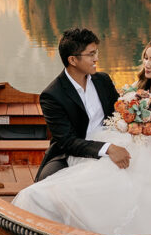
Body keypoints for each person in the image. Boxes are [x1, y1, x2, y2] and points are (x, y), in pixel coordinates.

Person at [14, 36, 151, 235]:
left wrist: (145, 124)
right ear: (73, 60)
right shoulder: (55, 95)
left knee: (125, 181)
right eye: (145, 58)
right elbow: (71, 139)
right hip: (85, 148)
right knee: (52, 189)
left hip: (150, 151)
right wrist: (128, 129)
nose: (146, 64)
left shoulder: (107, 81)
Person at [34, 27, 131, 182]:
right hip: (70, 153)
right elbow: (67, 142)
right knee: (45, 185)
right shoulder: (52, 95)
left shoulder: (103, 80)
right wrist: (107, 148)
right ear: (72, 60)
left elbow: (118, 114)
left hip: (112, 140)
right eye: (91, 54)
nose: (96, 59)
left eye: (96, 52)